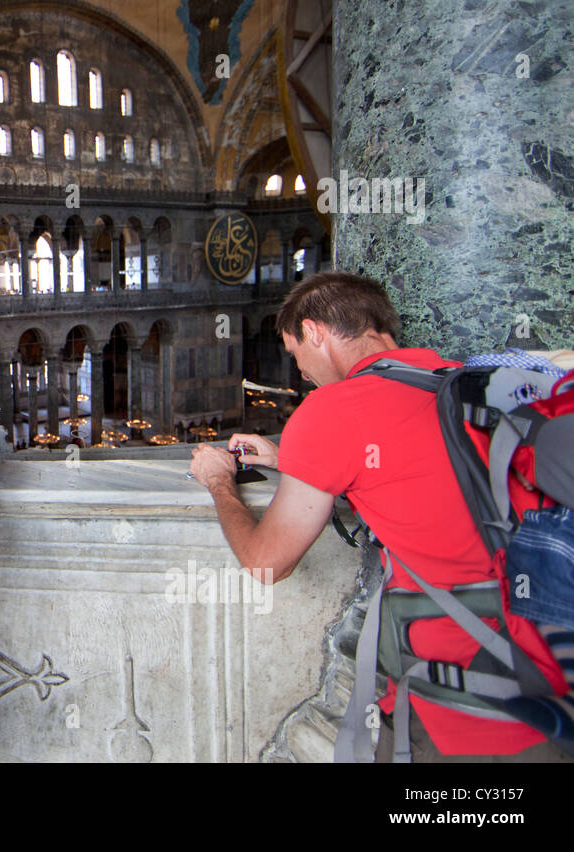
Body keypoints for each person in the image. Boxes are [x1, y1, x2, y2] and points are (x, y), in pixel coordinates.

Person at [187, 270, 568, 760]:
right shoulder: (459, 382)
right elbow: (421, 469)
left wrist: (220, 480)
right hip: (552, 675)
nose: (301, 371)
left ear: (314, 333)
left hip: (464, 706)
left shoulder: (331, 409)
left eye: (295, 352)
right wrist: (290, 461)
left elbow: (267, 563)